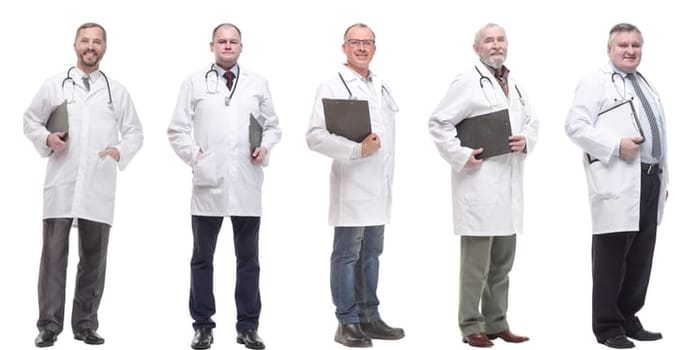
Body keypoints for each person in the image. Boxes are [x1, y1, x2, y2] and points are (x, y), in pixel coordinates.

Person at [21, 22, 144, 348]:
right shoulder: (55, 85)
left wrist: (119, 150)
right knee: (53, 259)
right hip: (62, 185)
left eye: (97, 42)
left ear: (105, 48)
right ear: (75, 45)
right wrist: (47, 137)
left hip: (98, 187)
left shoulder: (115, 91)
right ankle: (49, 325)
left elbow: (134, 132)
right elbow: (30, 120)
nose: (91, 46)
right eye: (85, 41)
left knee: (94, 260)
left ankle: (85, 324)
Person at [166, 22, 280, 350]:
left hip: (246, 181)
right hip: (208, 184)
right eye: (222, 41)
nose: (227, 46)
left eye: (233, 42)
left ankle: (248, 327)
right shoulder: (194, 82)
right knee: (202, 258)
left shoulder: (258, 83)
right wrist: (196, 156)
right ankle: (203, 326)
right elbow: (176, 129)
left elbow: (273, 126)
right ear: (212, 46)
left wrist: (266, 146)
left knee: (249, 260)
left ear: (241, 47)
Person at [429, 23, 539, 348]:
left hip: (508, 187)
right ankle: (469, 324)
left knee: (503, 264)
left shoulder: (515, 83)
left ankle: (496, 322)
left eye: (500, 39)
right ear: (476, 48)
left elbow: (533, 121)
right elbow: (439, 122)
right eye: (488, 40)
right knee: (476, 266)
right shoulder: (466, 82)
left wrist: (527, 140)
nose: (496, 45)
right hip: (479, 186)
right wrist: (462, 155)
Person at [563, 23, 668, 349]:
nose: (630, 50)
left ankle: (628, 318)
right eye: (623, 45)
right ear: (610, 49)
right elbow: (574, 126)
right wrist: (614, 145)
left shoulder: (644, 84)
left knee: (640, 256)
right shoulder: (596, 82)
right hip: (619, 178)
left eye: (636, 45)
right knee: (611, 258)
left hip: (650, 177)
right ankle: (608, 327)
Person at [305, 22, 405, 348]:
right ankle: (346, 322)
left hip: (379, 185)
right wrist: (357, 150)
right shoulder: (332, 85)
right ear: (344, 47)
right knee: (347, 254)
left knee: (372, 253)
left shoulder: (381, 85)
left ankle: (369, 317)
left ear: (374, 48)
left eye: (368, 43)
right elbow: (315, 136)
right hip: (353, 185)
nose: (361, 48)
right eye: (355, 42)